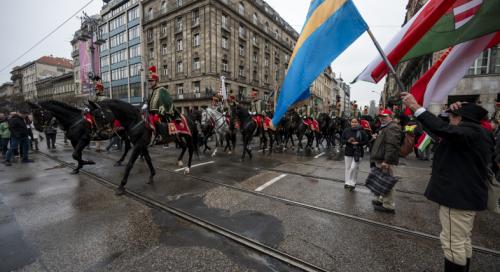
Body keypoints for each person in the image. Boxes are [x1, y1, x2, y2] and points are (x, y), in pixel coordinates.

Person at [402, 93, 493, 272]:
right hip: (465, 196)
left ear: (461, 118)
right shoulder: (477, 131)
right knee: (462, 241)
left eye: (451, 118)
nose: (448, 121)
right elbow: (441, 127)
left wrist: (415, 106)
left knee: (453, 243)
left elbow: (441, 128)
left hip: (457, 197)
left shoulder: (469, 132)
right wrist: (454, 109)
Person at [370, 108, 401, 214]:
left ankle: (389, 205)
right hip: (382, 158)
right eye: (380, 117)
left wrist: (387, 161)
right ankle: (382, 200)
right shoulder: (386, 127)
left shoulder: (392, 127)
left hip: (386, 160)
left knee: (388, 182)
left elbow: (392, 145)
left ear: (390, 117)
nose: (381, 119)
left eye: (384, 117)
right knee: (382, 181)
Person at [146, 65, 179, 142]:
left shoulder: (162, 89)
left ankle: (161, 136)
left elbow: (167, 100)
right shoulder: (152, 92)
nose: (150, 82)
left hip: (162, 113)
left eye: (152, 81)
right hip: (152, 113)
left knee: (156, 120)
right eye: (149, 81)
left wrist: (160, 112)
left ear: (156, 81)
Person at [341, 118, 369, 191]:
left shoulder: (361, 131)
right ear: (350, 123)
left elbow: (366, 141)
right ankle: (347, 182)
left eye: (355, 122)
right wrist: (348, 141)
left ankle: (353, 183)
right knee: (347, 167)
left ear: (358, 123)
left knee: (354, 167)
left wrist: (358, 143)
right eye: (352, 122)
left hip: (358, 152)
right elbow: (342, 140)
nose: (353, 123)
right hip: (348, 151)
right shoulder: (346, 130)